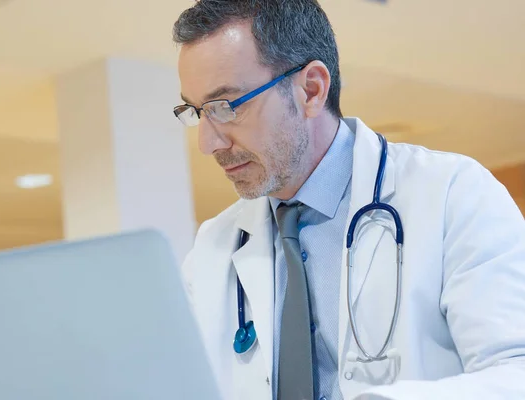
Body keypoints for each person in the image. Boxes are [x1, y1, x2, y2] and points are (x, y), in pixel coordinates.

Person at [171, 1, 525, 399]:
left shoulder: (452, 194)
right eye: (196, 111)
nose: (207, 143)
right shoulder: (212, 247)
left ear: (311, 90)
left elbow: (516, 372)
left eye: (226, 106)